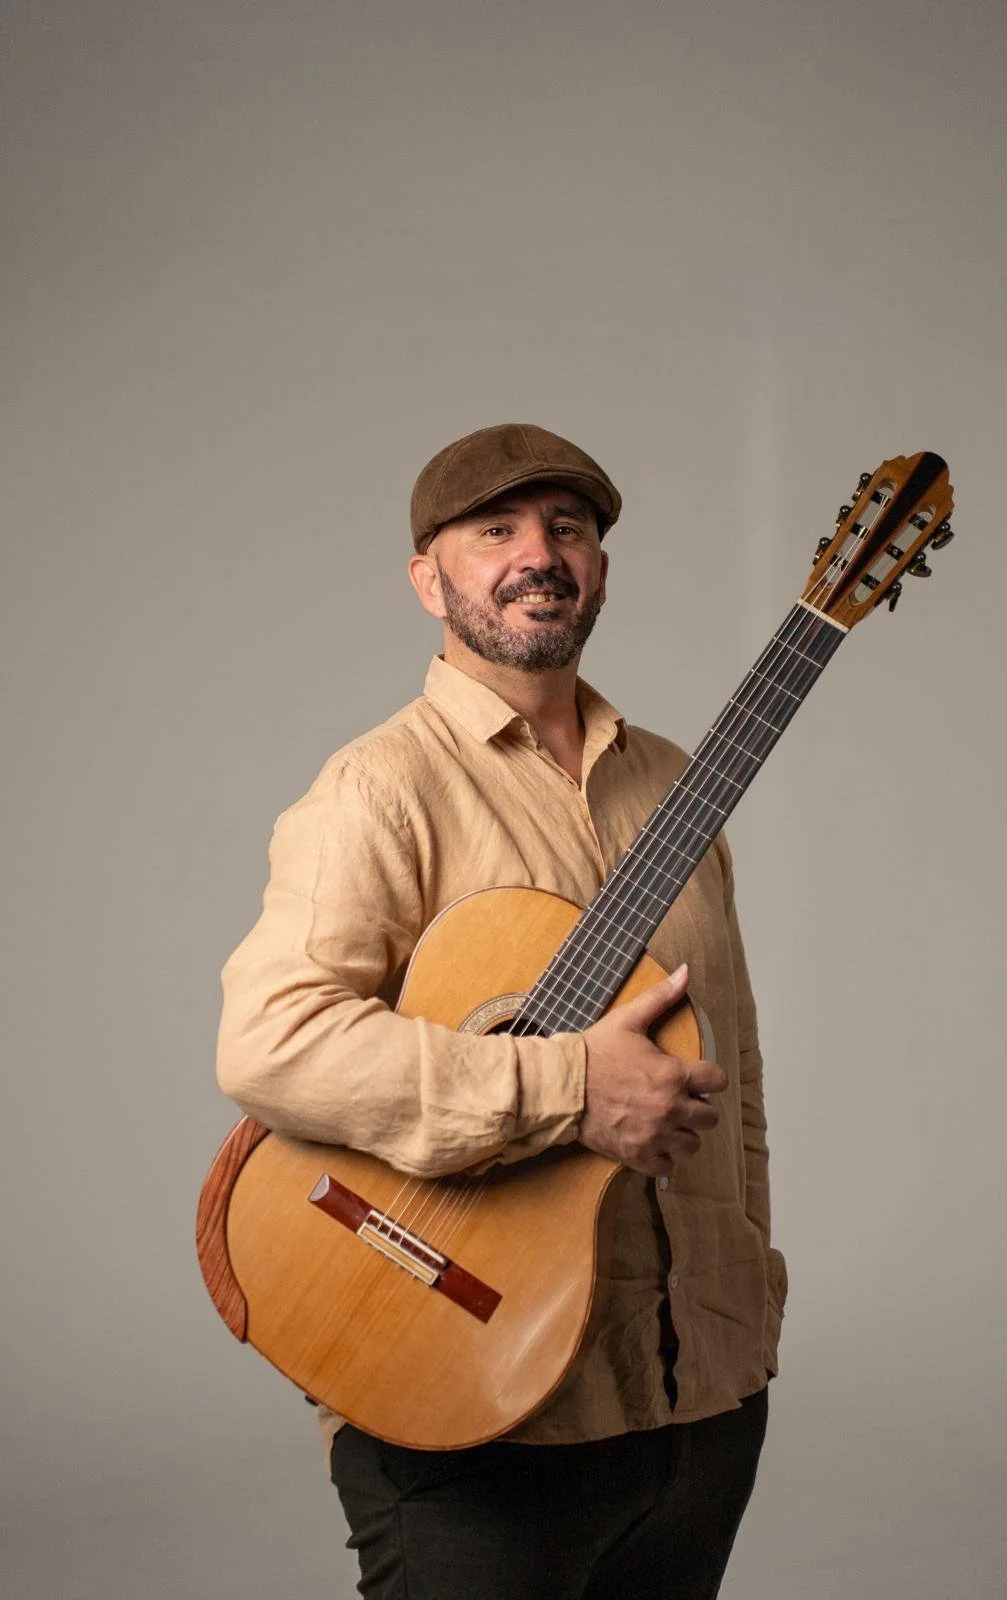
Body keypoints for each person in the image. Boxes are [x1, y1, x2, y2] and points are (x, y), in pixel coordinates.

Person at [217, 422, 785, 1599]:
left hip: (697, 1393)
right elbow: (271, 1040)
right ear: (429, 577)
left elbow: (733, 1076)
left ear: (601, 568)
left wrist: (749, 1303)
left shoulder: (681, 784)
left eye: (566, 528)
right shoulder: (381, 786)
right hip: (463, 1390)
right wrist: (568, 1086)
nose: (539, 553)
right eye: (496, 529)